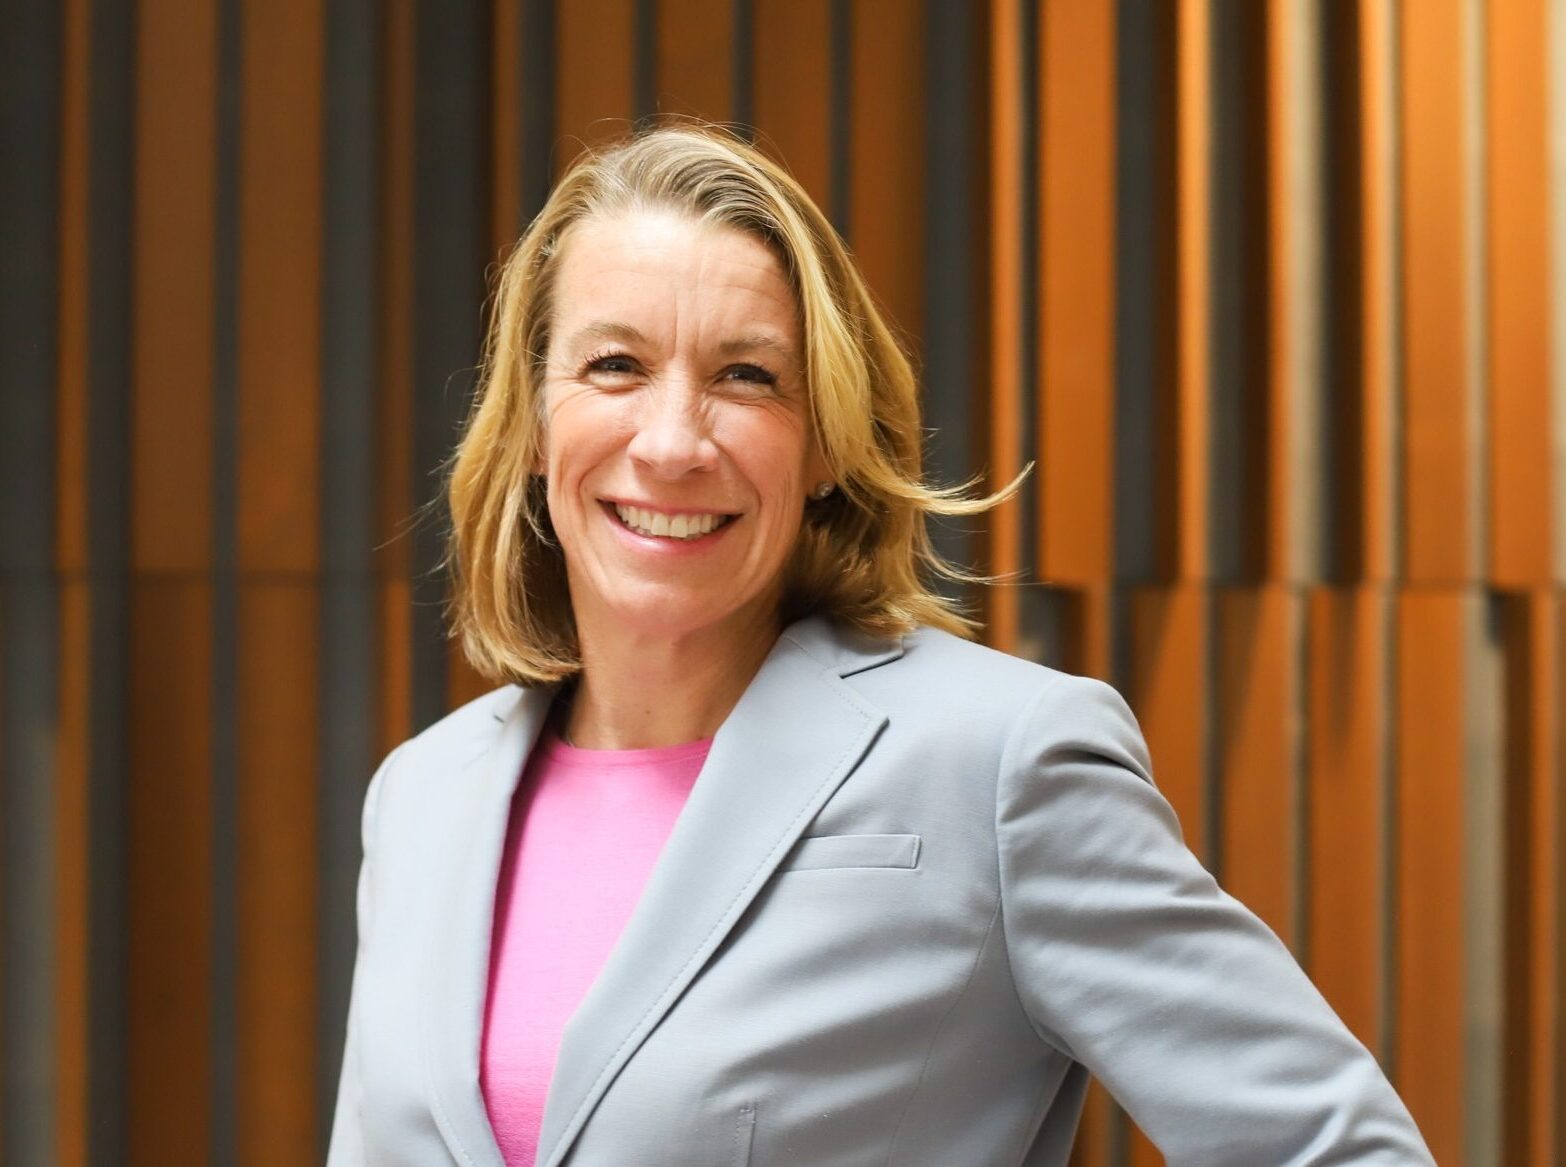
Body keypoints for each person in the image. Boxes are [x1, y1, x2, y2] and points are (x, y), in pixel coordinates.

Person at [326, 123, 1432, 1167]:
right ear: (530, 420)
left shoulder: (998, 765)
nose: (670, 441)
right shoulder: (423, 798)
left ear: (823, 445)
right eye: (614, 365)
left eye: (745, 376)